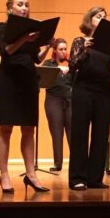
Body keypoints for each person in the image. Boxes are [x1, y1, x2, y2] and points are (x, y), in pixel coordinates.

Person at [0, 0, 49, 194]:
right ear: (10, 8)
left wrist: (47, 47)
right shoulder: (3, 27)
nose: (25, 8)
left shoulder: (33, 30)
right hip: (8, 81)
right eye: (20, 4)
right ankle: (4, 175)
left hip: (28, 81)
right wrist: (25, 39)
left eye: (27, 4)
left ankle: (31, 174)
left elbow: (36, 58)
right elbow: (6, 51)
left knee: (29, 129)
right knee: (6, 128)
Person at [68, 7, 110, 191]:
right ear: (89, 20)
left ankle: (95, 178)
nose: (102, 19)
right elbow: (72, 66)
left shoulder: (109, 44)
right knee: (80, 134)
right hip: (83, 89)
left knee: (101, 135)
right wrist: (85, 51)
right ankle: (77, 178)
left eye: (104, 17)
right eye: (98, 16)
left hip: (103, 90)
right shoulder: (79, 41)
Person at [41, 38, 72, 172]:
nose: (64, 52)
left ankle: (76, 163)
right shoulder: (48, 64)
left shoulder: (72, 64)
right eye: (61, 49)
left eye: (65, 49)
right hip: (53, 99)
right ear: (54, 50)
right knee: (57, 132)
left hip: (71, 100)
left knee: (72, 132)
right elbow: (43, 79)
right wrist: (58, 68)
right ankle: (58, 163)